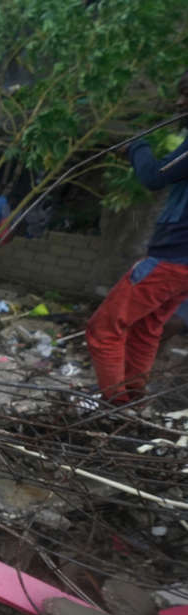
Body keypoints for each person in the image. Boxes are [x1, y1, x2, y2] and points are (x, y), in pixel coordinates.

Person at [86, 71, 188, 405]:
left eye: (185, 95)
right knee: (146, 329)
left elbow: (154, 176)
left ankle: (114, 408)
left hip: (172, 258)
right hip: (181, 268)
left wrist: (138, 145)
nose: (179, 103)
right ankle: (133, 400)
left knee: (103, 330)